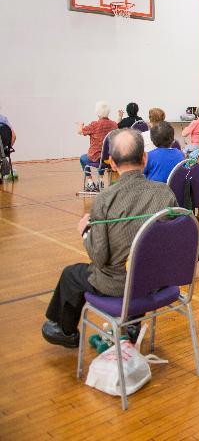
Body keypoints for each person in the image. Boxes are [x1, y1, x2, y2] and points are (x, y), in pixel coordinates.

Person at [41, 129, 177, 348]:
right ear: (144, 158)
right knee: (137, 258)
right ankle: (131, 324)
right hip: (157, 281)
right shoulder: (165, 193)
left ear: (112, 163)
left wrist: (85, 232)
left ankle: (64, 330)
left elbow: (100, 256)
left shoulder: (105, 198)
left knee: (72, 275)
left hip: (122, 284)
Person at [76, 101, 118, 176]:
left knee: (83, 158)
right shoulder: (114, 125)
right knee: (103, 154)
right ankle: (101, 179)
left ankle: (90, 182)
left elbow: (80, 132)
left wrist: (80, 124)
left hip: (96, 158)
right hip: (110, 159)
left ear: (97, 112)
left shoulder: (94, 125)